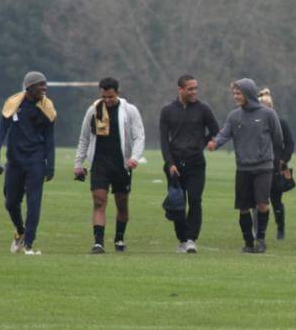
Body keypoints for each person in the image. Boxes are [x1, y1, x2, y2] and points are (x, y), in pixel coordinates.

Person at [207, 78, 284, 253]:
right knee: (243, 208)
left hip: (264, 167)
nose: (235, 96)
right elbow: (224, 134)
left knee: (262, 204)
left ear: (248, 93)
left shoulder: (268, 114)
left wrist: (274, 159)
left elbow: (278, 138)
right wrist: (215, 143)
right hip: (243, 168)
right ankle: (248, 242)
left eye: (238, 93)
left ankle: (261, 239)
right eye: (234, 93)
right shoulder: (234, 116)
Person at [74, 77, 145, 254]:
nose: (107, 100)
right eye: (104, 96)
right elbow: (84, 138)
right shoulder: (93, 110)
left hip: (122, 164)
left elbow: (139, 136)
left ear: (118, 93)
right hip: (100, 163)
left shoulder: (130, 111)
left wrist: (135, 158)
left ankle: (119, 238)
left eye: (111, 97)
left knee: (122, 203)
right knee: (99, 201)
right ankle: (98, 242)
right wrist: (78, 163)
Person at [0, 72, 56, 256]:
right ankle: (20, 230)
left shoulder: (47, 107)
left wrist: (50, 165)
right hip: (15, 161)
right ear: (29, 87)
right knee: (11, 202)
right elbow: (2, 130)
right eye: (40, 85)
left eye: (45, 84)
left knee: (34, 202)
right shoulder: (13, 104)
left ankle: (28, 243)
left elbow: (50, 139)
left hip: (36, 161)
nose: (44, 88)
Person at [159, 74, 220, 254]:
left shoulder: (204, 109)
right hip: (174, 164)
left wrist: (205, 142)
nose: (194, 92)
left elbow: (216, 131)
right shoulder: (167, 111)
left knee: (195, 200)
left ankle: (191, 239)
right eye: (190, 89)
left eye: (196, 88)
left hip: (196, 163)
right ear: (180, 89)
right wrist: (170, 163)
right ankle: (182, 239)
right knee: (178, 204)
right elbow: (163, 140)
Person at [257, 88, 295, 241]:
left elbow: (290, 144)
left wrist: (283, 160)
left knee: (276, 201)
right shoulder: (256, 123)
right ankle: (259, 231)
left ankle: (280, 229)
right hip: (258, 166)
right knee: (259, 201)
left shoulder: (281, 123)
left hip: (276, 168)